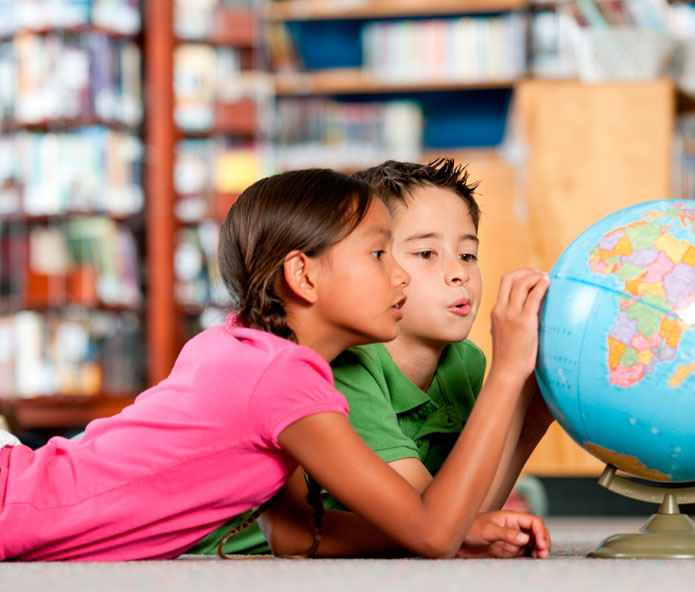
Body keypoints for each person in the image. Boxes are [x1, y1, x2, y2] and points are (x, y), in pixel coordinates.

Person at [0, 167, 549, 562]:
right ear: (303, 276)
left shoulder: (254, 354)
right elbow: (432, 534)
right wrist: (508, 372)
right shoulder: (283, 379)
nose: (401, 276)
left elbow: (291, 532)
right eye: (380, 255)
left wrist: (461, 530)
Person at [193, 160, 553, 559]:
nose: (458, 273)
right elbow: (435, 526)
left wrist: (531, 393)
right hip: (213, 554)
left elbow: (466, 514)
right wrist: (506, 374)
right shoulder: (341, 366)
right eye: (425, 253)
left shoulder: (462, 362)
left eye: (468, 255)